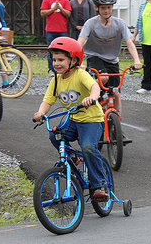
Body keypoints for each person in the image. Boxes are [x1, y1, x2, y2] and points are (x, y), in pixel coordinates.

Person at [33, 37, 109, 200]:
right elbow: (48, 100)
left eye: (61, 59)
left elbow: (95, 87)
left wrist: (92, 98)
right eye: (54, 60)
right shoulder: (56, 81)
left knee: (88, 147)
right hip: (73, 121)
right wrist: (40, 113)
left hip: (91, 120)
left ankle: (99, 185)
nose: (56, 63)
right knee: (54, 135)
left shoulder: (80, 75)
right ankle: (73, 157)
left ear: (73, 60)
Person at [78, 0, 142, 114]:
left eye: (109, 7)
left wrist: (137, 60)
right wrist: (79, 63)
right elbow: (79, 43)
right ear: (97, 8)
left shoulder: (119, 23)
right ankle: (89, 91)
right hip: (95, 58)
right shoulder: (90, 24)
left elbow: (129, 43)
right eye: (103, 7)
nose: (106, 10)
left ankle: (117, 125)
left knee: (116, 94)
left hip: (112, 61)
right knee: (104, 78)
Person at [40, 0, 71, 74]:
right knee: (51, 50)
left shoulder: (65, 0)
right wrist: (53, 9)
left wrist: (60, 8)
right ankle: (51, 69)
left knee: (63, 50)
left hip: (62, 30)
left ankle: (62, 69)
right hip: (50, 30)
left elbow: (68, 14)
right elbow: (42, 13)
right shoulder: (47, 0)